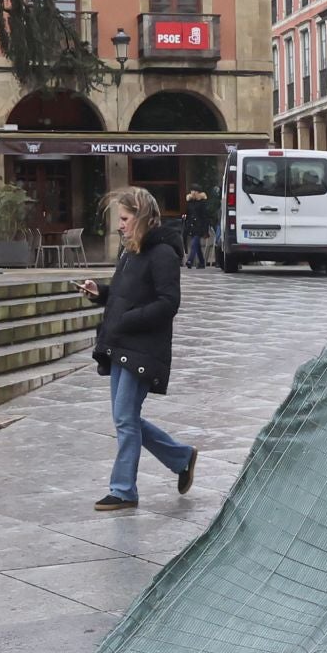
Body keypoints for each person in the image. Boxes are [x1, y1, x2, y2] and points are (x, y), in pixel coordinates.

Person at [78, 188, 198, 511]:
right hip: (121, 344)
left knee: (125, 418)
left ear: (142, 218)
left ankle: (123, 490)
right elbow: (122, 294)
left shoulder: (162, 254)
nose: (120, 225)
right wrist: (100, 293)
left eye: (125, 218)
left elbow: (169, 303)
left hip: (143, 349)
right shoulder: (130, 251)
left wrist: (129, 319)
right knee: (126, 417)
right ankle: (181, 457)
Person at [182, 187, 213, 269]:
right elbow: (187, 214)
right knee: (197, 245)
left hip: (200, 227)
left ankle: (190, 260)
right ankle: (202, 262)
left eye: (195, 190)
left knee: (194, 243)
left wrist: (206, 231)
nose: (193, 192)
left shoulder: (202, 203)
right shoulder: (189, 202)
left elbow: (205, 217)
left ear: (198, 192)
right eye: (192, 190)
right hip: (191, 226)